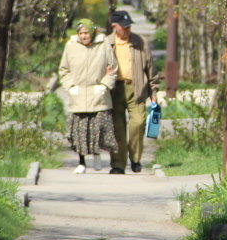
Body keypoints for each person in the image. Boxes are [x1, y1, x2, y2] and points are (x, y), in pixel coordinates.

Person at [57, 19, 118, 174]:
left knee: (97, 128)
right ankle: (82, 161)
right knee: (80, 131)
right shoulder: (71, 46)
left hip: (98, 94)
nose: (84, 36)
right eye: (81, 33)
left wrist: (104, 86)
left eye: (86, 33)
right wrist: (70, 86)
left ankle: (97, 156)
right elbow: (64, 70)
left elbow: (113, 68)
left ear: (92, 32)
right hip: (78, 95)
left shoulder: (103, 44)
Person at [107, 9, 159, 174]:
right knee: (117, 129)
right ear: (114, 26)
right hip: (114, 90)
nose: (127, 29)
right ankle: (118, 164)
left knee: (137, 123)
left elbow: (150, 68)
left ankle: (135, 159)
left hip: (136, 88)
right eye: (124, 27)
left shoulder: (139, 42)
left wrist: (154, 91)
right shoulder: (106, 43)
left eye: (129, 26)